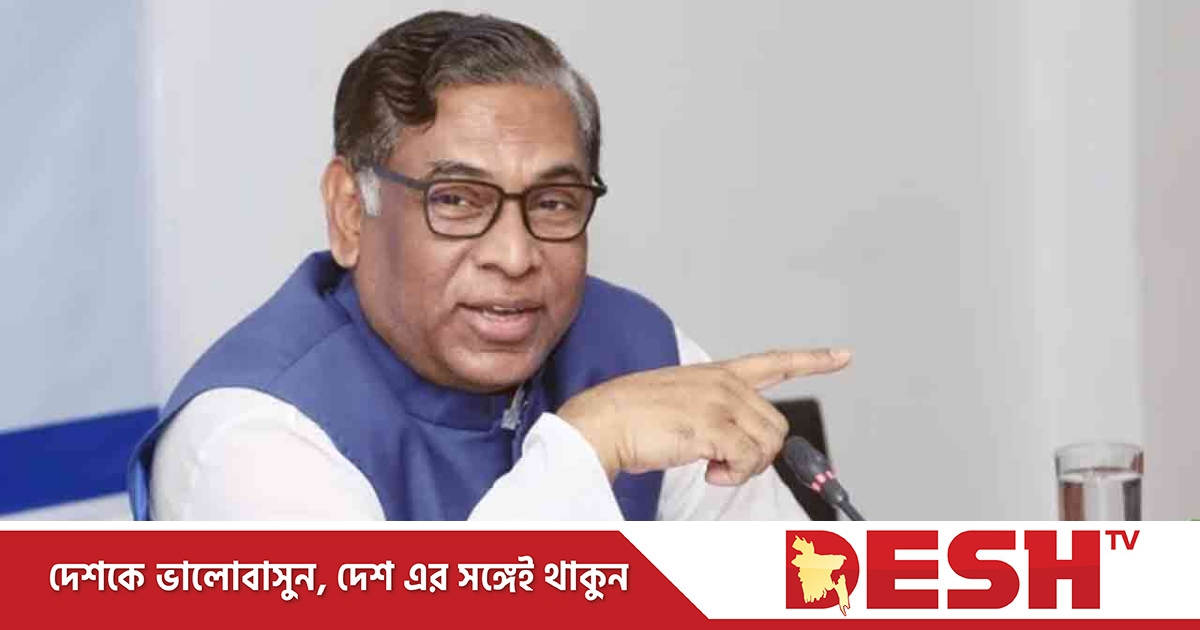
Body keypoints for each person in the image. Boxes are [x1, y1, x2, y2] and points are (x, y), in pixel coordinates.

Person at [127, 10, 851, 521]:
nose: (514, 255)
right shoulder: (251, 437)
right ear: (351, 212)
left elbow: (786, 597)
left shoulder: (638, 348)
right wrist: (587, 449)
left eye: (554, 202)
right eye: (457, 200)